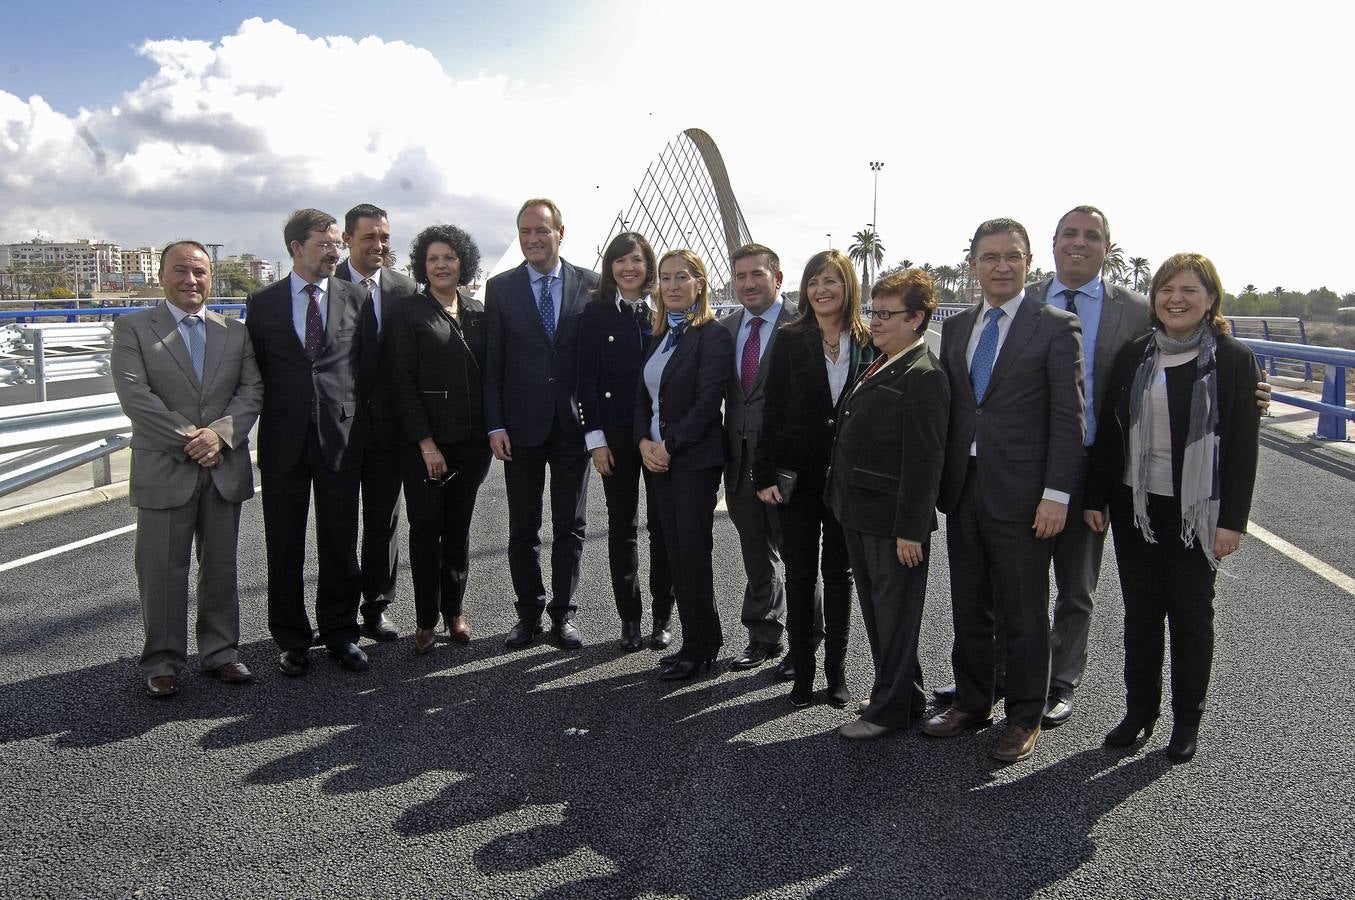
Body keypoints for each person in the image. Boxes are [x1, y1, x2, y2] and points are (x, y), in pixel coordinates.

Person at [1084, 252, 1260, 764]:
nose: (1175, 299)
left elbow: (1243, 445)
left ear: (1210, 301)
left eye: (1189, 290)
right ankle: (1140, 711)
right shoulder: (1136, 354)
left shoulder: (1231, 359)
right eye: (1166, 289)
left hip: (1195, 512)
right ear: (1155, 297)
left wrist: (1233, 522)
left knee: (1189, 616)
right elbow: (1111, 432)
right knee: (1141, 614)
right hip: (1136, 506)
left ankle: (1186, 722)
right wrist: (1096, 498)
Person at [922, 218, 1084, 763]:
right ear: (973, 263)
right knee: (969, 604)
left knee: (1023, 609)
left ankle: (1023, 715)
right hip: (965, 489)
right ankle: (972, 701)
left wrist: (1057, 495)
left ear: (1028, 261)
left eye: (1012, 256)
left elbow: (1068, 420)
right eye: (990, 257)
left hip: (1025, 495)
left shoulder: (1056, 326)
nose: (1001, 266)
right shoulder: (961, 328)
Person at [111, 241, 263, 698]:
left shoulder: (234, 333)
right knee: (161, 568)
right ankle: (162, 659)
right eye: (180, 271)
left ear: (210, 278)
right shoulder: (133, 328)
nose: (190, 280)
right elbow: (136, 397)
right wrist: (193, 441)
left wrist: (219, 435)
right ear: (161, 276)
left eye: (199, 272)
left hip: (223, 465)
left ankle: (220, 652)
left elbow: (252, 391)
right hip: (165, 466)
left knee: (221, 567)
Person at [246, 208, 373, 676]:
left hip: (341, 437)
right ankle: (291, 639)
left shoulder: (354, 297)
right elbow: (255, 370)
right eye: (323, 244)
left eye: (336, 243)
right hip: (283, 440)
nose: (334, 252)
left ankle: (340, 633)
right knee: (284, 544)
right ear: (296, 249)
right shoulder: (263, 303)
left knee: (340, 542)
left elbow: (367, 367)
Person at [826, 269, 949, 739]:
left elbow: (924, 461)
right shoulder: (882, 362)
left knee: (894, 616)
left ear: (918, 318)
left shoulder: (923, 375)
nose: (874, 322)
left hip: (891, 521)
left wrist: (912, 529)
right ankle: (904, 693)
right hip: (860, 512)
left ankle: (888, 711)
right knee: (880, 612)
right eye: (873, 311)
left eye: (887, 313)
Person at [753, 250, 873, 707]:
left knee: (839, 577)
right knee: (801, 577)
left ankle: (836, 674)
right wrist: (763, 472)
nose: (822, 290)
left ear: (848, 287)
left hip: (848, 480)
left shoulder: (868, 338)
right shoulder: (789, 339)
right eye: (814, 282)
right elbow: (773, 408)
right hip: (797, 479)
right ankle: (803, 675)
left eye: (832, 281)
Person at [484, 198, 599, 650]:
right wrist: (495, 425)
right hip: (520, 427)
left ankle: (564, 616)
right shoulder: (501, 288)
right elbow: (494, 364)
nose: (533, 239)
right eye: (526, 232)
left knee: (571, 525)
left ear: (560, 233)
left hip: (573, 426)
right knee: (523, 527)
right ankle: (528, 612)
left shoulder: (589, 284)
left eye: (542, 231)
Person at [385, 224, 493, 655]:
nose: (442, 265)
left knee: (459, 528)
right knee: (426, 529)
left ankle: (455, 611)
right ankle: (426, 620)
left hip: (471, 440)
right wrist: (425, 443)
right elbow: (401, 384)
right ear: (422, 266)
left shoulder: (477, 310)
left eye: (449, 257)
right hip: (426, 445)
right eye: (433, 259)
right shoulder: (409, 313)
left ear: (462, 261)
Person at [635, 249, 735, 680]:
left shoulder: (712, 336)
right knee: (674, 551)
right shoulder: (660, 335)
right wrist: (643, 441)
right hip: (658, 460)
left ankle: (701, 645)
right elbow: (644, 397)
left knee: (693, 552)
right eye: (665, 278)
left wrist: (668, 446)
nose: (671, 286)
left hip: (691, 460)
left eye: (681, 278)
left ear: (699, 284)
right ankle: (700, 638)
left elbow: (707, 404)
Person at [577, 232, 675, 651]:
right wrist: (595, 441)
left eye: (635, 259)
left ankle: (662, 617)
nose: (628, 268)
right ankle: (630, 620)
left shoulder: (666, 312)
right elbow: (584, 384)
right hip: (615, 436)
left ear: (648, 264)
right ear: (609, 266)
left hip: (658, 435)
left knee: (663, 528)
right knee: (623, 528)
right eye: (619, 261)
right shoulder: (595, 314)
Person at [337, 203, 419, 644]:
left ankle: (378, 605)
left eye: (385, 237)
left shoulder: (405, 290)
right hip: (339, 428)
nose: (379, 245)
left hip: (390, 428)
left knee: (384, 519)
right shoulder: (327, 287)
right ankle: (339, 611)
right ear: (347, 239)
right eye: (369, 237)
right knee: (339, 520)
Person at [722, 243, 798, 676]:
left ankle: (805, 643)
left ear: (778, 278)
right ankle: (763, 635)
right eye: (741, 276)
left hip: (786, 465)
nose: (748, 284)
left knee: (796, 554)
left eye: (757, 275)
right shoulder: (726, 327)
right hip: (737, 460)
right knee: (754, 551)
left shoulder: (801, 325)